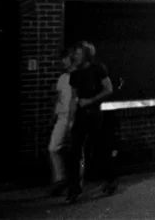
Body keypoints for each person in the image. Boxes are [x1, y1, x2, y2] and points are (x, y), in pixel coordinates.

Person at [65, 41, 117, 203]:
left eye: (79, 54)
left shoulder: (98, 69)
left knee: (99, 150)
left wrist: (91, 101)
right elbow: (73, 98)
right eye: (75, 54)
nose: (75, 56)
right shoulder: (75, 74)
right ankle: (74, 190)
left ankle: (110, 180)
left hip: (94, 115)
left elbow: (109, 89)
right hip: (80, 116)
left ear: (87, 55)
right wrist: (69, 119)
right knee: (73, 152)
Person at [48, 48, 75, 195]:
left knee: (76, 151)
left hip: (74, 118)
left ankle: (75, 183)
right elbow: (59, 98)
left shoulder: (77, 77)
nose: (62, 62)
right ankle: (60, 179)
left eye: (65, 58)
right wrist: (53, 114)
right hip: (61, 118)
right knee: (53, 148)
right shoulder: (62, 78)